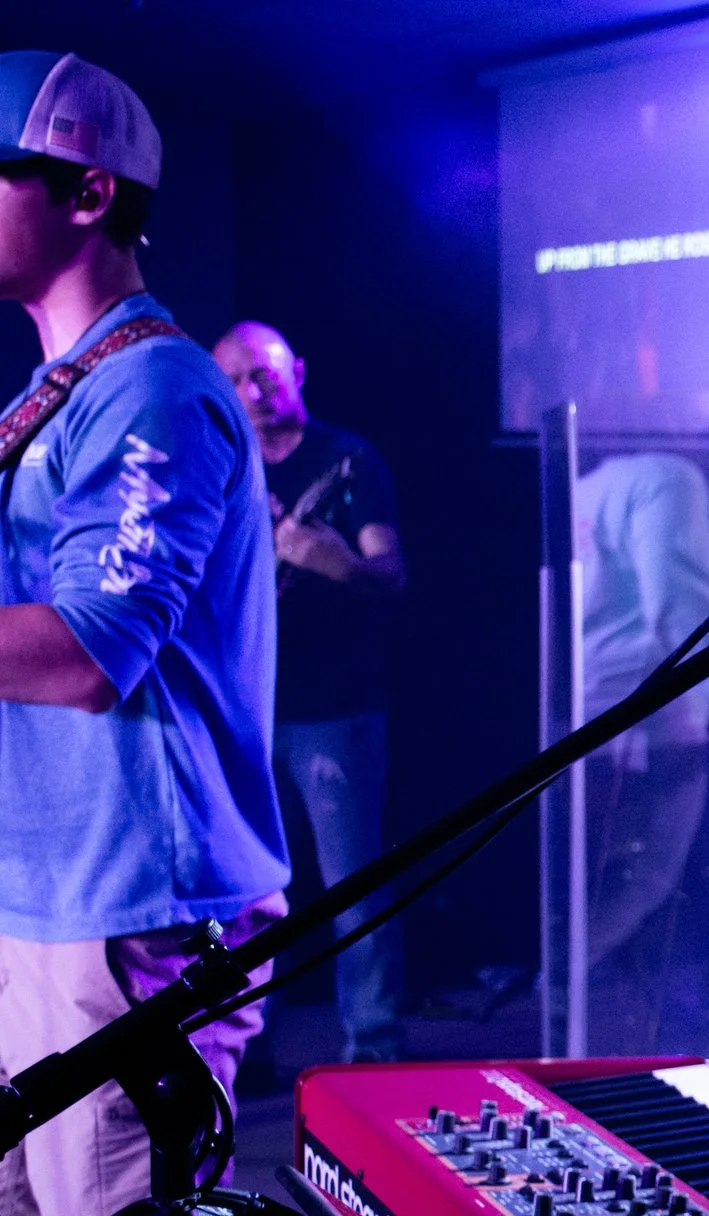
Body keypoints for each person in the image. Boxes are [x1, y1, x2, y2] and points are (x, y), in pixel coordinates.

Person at [0, 50, 287, 1216]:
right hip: (39, 903)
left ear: (86, 190)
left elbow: (86, 652)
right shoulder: (52, 398)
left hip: (133, 915)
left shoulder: (157, 390)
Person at [211, 321, 408, 1063]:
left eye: (262, 374)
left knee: (353, 888)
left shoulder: (349, 460)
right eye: (231, 379)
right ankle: (244, 1052)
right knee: (244, 894)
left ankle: (375, 1050)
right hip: (245, 714)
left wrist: (328, 559)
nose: (250, 393)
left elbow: (391, 579)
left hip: (335, 713)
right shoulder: (223, 466)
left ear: (296, 369)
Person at [573, 451, 709, 1049]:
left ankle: (581, 1005)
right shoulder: (668, 480)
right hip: (655, 731)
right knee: (656, 885)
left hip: (598, 723)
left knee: (619, 888)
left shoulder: (590, 488)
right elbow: (677, 611)